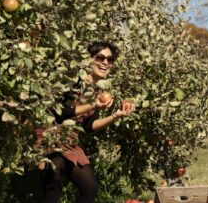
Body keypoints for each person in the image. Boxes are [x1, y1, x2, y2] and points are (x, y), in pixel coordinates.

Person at [37, 41, 135, 203]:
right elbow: (59, 112)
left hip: (69, 143)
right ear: (89, 59)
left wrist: (116, 116)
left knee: (90, 189)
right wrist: (92, 104)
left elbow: (88, 127)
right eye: (100, 58)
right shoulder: (74, 81)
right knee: (52, 192)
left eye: (110, 60)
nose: (105, 63)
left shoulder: (98, 90)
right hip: (50, 140)